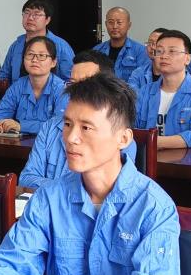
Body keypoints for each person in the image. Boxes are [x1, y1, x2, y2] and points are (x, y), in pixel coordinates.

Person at [0, 74, 191, 275]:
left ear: (123, 138)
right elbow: (12, 260)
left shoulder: (154, 206)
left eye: (86, 128)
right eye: (67, 124)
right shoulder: (49, 198)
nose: (71, 138)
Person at [19, 50, 135, 188]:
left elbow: (114, 189)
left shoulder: (117, 137)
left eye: (85, 85)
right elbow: (26, 178)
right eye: (72, 84)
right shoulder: (51, 126)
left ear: (106, 87)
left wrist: (59, 189)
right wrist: (65, 191)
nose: (76, 92)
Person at [133, 30, 191, 150]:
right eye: (159, 51)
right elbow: (130, 129)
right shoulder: (144, 92)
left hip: (184, 160)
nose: (164, 56)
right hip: (145, 158)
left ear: (187, 58)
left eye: (172, 51)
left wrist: (154, 142)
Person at [0, 36, 67, 135]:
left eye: (42, 55)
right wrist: (1, 123)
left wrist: (21, 126)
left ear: (53, 62)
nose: (34, 60)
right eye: (30, 54)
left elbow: (60, 125)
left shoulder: (61, 89)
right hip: (18, 143)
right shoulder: (17, 86)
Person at [0, 0, 75, 81]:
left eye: (37, 14)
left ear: (47, 20)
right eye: (27, 12)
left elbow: (71, 79)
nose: (30, 18)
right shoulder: (16, 45)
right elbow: (4, 75)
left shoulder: (61, 46)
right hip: (18, 89)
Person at [93, 6, 146, 81]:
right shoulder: (97, 50)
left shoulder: (140, 51)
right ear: (106, 24)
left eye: (119, 22)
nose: (114, 26)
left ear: (129, 25)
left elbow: (142, 81)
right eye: (111, 22)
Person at [127, 27, 167, 92]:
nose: (152, 47)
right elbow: (132, 95)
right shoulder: (138, 73)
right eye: (150, 43)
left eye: (156, 43)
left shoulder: (174, 74)